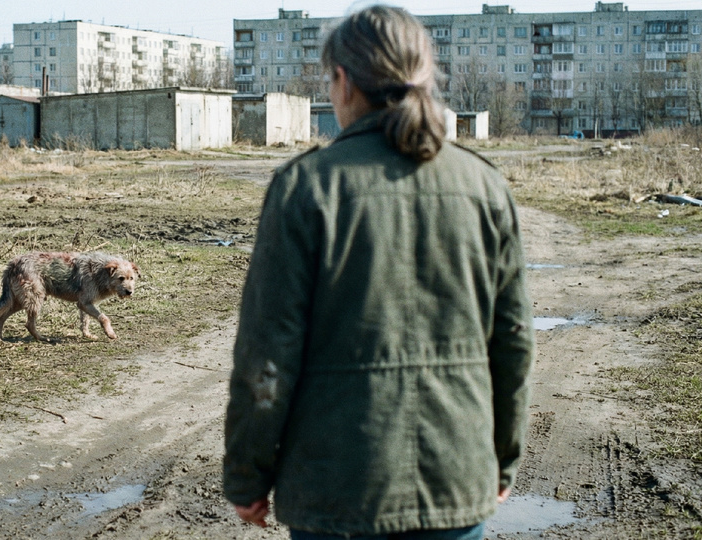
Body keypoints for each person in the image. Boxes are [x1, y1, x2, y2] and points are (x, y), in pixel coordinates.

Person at [222, 5, 536, 540]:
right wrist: (499, 461)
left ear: (343, 81)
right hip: (455, 483)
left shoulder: (305, 189)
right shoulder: (485, 188)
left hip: (335, 491)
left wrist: (247, 476)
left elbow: (267, 354)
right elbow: (512, 342)